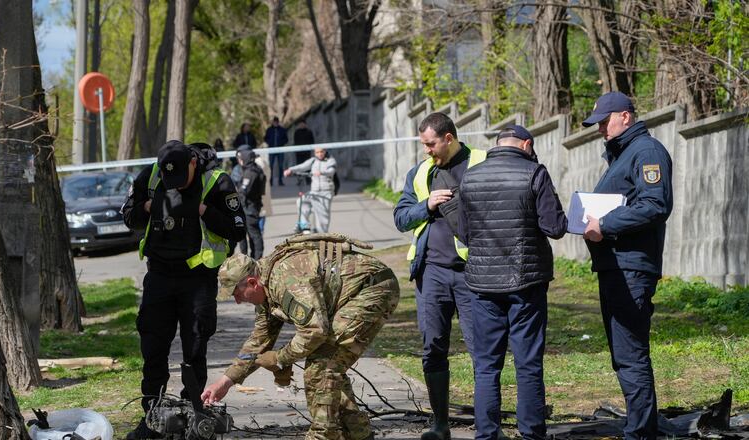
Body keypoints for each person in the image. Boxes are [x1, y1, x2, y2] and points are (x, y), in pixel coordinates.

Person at [201, 234, 401, 440]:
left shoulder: (285, 280)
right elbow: (258, 342)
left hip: (372, 288)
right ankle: (358, 432)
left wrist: (280, 359)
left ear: (252, 283)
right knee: (327, 364)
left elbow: (315, 330)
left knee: (322, 365)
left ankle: (323, 434)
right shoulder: (265, 292)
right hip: (349, 296)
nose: (237, 301)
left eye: (237, 294)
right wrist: (224, 382)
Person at [121, 140, 246, 440]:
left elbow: (237, 229)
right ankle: (153, 417)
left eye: (181, 179)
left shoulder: (216, 182)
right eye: (169, 179)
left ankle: (195, 415)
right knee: (153, 347)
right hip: (160, 275)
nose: (175, 184)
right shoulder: (150, 177)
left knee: (195, 347)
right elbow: (128, 216)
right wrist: (150, 207)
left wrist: (201, 209)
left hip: (198, 278)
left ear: (192, 162)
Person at [458, 125, 567, 440]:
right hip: (526, 283)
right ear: (527, 145)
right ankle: (531, 433)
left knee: (487, 366)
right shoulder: (535, 173)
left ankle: (487, 434)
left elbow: (464, 233)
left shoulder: (471, 176)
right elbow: (554, 227)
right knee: (528, 364)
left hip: (481, 286)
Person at [581, 92, 673, 440]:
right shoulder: (625, 154)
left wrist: (604, 225)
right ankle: (640, 427)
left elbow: (654, 205)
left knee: (630, 354)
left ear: (626, 117)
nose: (600, 129)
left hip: (631, 268)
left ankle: (640, 433)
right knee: (625, 355)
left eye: (605, 122)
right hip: (617, 266)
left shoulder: (646, 152)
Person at [393, 112, 487, 440]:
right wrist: (427, 205)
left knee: (482, 350)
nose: (426, 151)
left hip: (474, 274)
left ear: (448, 138)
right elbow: (401, 218)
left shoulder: (481, 162)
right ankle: (440, 424)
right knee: (432, 347)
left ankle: (487, 427)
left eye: (430, 144)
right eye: (423, 145)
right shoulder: (420, 173)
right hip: (431, 273)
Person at [284, 147, 337, 233]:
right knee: (301, 202)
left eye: (321, 152)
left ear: (325, 151)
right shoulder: (313, 161)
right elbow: (302, 167)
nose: (319, 154)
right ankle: (305, 225)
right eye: (317, 152)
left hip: (326, 192)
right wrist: (290, 170)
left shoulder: (330, 160)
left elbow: (331, 171)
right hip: (314, 191)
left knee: (322, 217)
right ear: (315, 153)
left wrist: (322, 172)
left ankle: (322, 236)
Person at [236, 148, 266, 259]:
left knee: (254, 234)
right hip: (250, 206)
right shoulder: (253, 169)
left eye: (240, 159)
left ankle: (256, 258)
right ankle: (248, 259)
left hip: (249, 208)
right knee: (245, 235)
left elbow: (244, 190)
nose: (239, 161)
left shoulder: (250, 172)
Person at [265, 116, 289, 186]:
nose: (275, 123)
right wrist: (269, 142)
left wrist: (282, 143)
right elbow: (265, 138)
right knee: (271, 166)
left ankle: (280, 180)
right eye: (274, 122)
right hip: (271, 149)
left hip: (280, 149)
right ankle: (270, 181)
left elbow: (286, 139)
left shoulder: (282, 130)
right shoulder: (269, 130)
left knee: (281, 165)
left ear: (278, 122)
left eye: (276, 122)